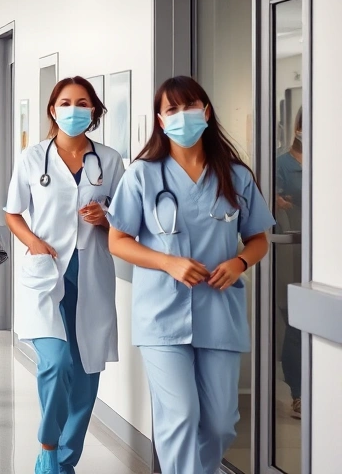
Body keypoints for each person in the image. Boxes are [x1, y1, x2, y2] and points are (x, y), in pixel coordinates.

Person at [107, 76, 275, 474]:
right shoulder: (142, 175)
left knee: (220, 424)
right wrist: (169, 262)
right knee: (179, 417)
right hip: (161, 313)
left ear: (206, 112)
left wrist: (239, 263)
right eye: (172, 110)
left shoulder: (236, 176)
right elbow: (117, 240)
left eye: (189, 107)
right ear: (160, 121)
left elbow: (258, 240)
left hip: (219, 311)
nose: (182, 116)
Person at [4, 77, 125, 474]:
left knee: (88, 369)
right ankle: (48, 447)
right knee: (55, 363)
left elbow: (125, 219)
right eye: (66, 102)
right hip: (46, 271)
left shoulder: (109, 159)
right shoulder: (32, 157)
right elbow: (12, 212)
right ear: (53, 110)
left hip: (91, 272)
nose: (75, 109)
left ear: (94, 111)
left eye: (83, 103)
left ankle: (66, 460)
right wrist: (33, 242)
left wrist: (106, 218)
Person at [275, 108, 303, 418]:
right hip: (290, 253)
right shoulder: (281, 165)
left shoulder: (327, 162)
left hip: (322, 254)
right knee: (294, 324)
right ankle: (297, 393)